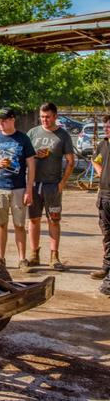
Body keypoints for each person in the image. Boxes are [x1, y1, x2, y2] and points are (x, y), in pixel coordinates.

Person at [0, 107, 36, 271]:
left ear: (13, 120)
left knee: (19, 225)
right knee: (1, 224)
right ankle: (1, 258)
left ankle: (22, 259)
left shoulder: (23, 139)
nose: (1, 123)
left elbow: (31, 165)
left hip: (19, 188)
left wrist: (29, 189)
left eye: (4, 120)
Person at [26, 103, 75, 272]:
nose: (44, 120)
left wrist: (63, 182)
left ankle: (54, 256)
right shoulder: (32, 133)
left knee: (53, 220)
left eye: (47, 117)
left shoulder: (63, 135)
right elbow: (23, 156)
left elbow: (71, 161)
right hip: (33, 183)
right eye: (42, 116)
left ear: (55, 116)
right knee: (33, 219)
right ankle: (34, 253)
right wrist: (35, 153)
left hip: (52, 185)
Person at [91, 114, 110, 294]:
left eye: (109, 127)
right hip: (104, 195)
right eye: (105, 127)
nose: (107, 129)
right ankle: (106, 267)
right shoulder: (103, 144)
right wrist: (101, 171)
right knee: (106, 233)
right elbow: (94, 160)